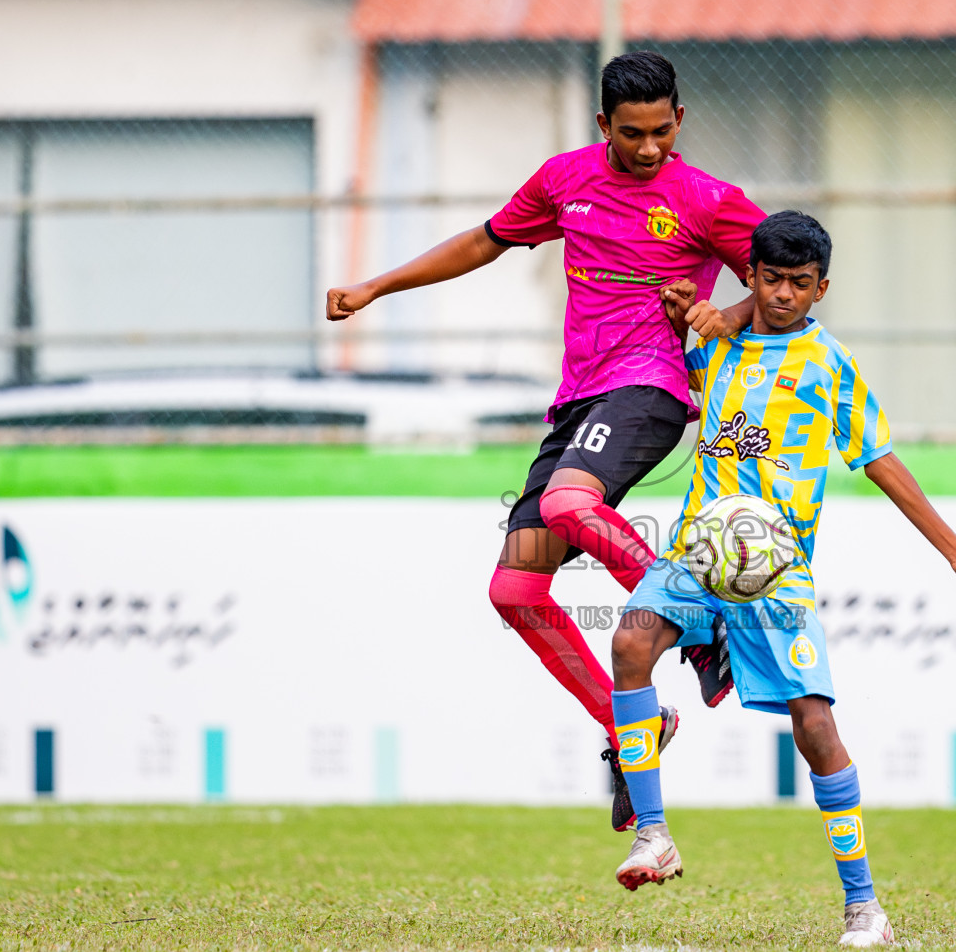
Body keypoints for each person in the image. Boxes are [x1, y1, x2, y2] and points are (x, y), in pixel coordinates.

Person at [324, 51, 767, 830]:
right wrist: (376, 287)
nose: (650, 148)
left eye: (663, 131)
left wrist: (717, 320)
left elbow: (780, 277)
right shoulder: (564, 180)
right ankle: (632, 726)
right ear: (603, 126)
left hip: (651, 387)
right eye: (632, 134)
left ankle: (698, 621)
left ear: (680, 121)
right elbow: (483, 240)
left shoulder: (706, 199)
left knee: (569, 502)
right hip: (577, 400)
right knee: (516, 589)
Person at [607, 211, 956, 947]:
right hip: (700, 549)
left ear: (822, 288)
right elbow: (658, 386)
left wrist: (954, 550)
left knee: (815, 725)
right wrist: (680, 311)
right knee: (629, 644)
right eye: (771, 279)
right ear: (748, 274)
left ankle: (865, 908)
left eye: (800, 284)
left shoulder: (828, 366)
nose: (783, 295)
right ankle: (653, 835)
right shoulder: (714, 346)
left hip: (775, 572)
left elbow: (880, 459)